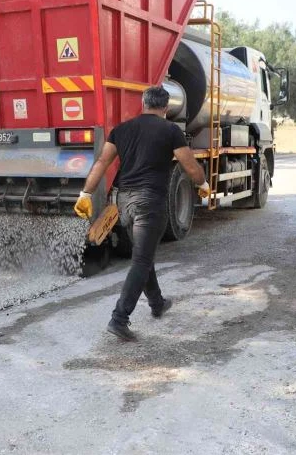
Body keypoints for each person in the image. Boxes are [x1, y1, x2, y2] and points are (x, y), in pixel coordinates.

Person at [74, 86, 209, 342]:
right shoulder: (170, 130)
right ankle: (119, 319)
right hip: (149, 202)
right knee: (141, 260)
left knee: (143, 256)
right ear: (166, 108)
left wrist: (85, 194)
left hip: (125, 202)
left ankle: (157, 302)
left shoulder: (122, 130)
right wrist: (202, 185)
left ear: (143, 104)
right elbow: (189, 164)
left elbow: (102, 162)